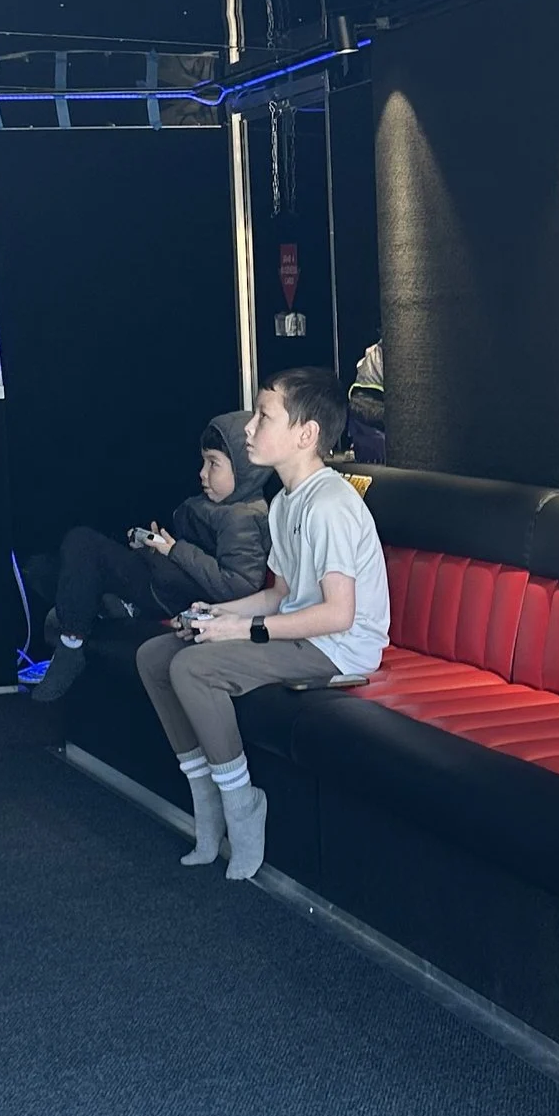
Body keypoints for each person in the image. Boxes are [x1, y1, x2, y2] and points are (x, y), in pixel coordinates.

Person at [137, 367, 389, 880]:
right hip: (305, 633)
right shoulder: (285, 503)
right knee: (155, 655)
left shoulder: (330, 505)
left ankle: (242, 802)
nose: (249, 429)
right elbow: (280, 595)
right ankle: (206, 801)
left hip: (340, 648)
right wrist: (217, 614)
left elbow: (338, 613)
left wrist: (241, 631)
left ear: (306, 434)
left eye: (263, 417)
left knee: (193, 668)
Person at [27, 412, 269, 703]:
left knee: (82, 543)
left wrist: (174, 550)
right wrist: (154, 546)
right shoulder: (216, 505)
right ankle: (109, 607)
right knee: (43, 569)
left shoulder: (242, 518)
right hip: (163, 579)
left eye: (213, 463)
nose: (202, 473)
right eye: (203, 462)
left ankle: (71, 645)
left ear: (243, 469)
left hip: (174, 596)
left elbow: (239, 585)